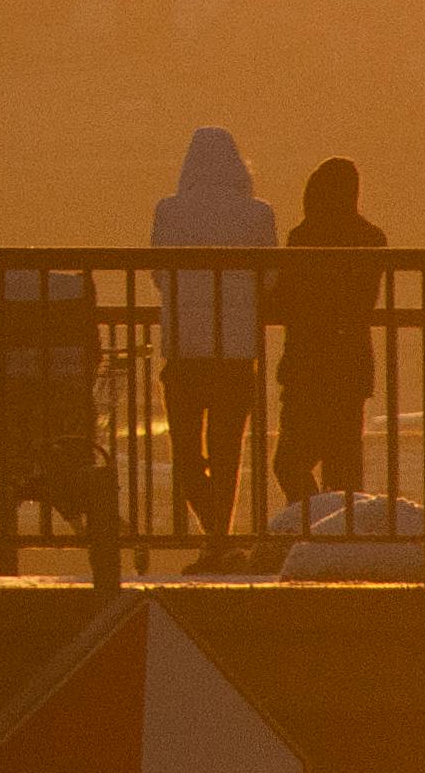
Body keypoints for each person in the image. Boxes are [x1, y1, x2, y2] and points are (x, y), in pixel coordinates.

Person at [151, 125, 279, 569]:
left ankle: (215, 538)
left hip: (183, 347)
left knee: (187, 452)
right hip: (237, 348)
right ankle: (220, 540)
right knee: (229, 451)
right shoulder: (258, 213)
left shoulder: (168, 211)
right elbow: (269, 277)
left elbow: (157, 273)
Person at [271, 157, 387, 512]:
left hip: (306, 366)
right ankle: (341, 537)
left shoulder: (303, 236)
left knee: (289, 463)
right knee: (344, 468)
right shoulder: (371, 238)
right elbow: (363, 301)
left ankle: (315, 526)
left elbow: (285, 298)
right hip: (350, 366)